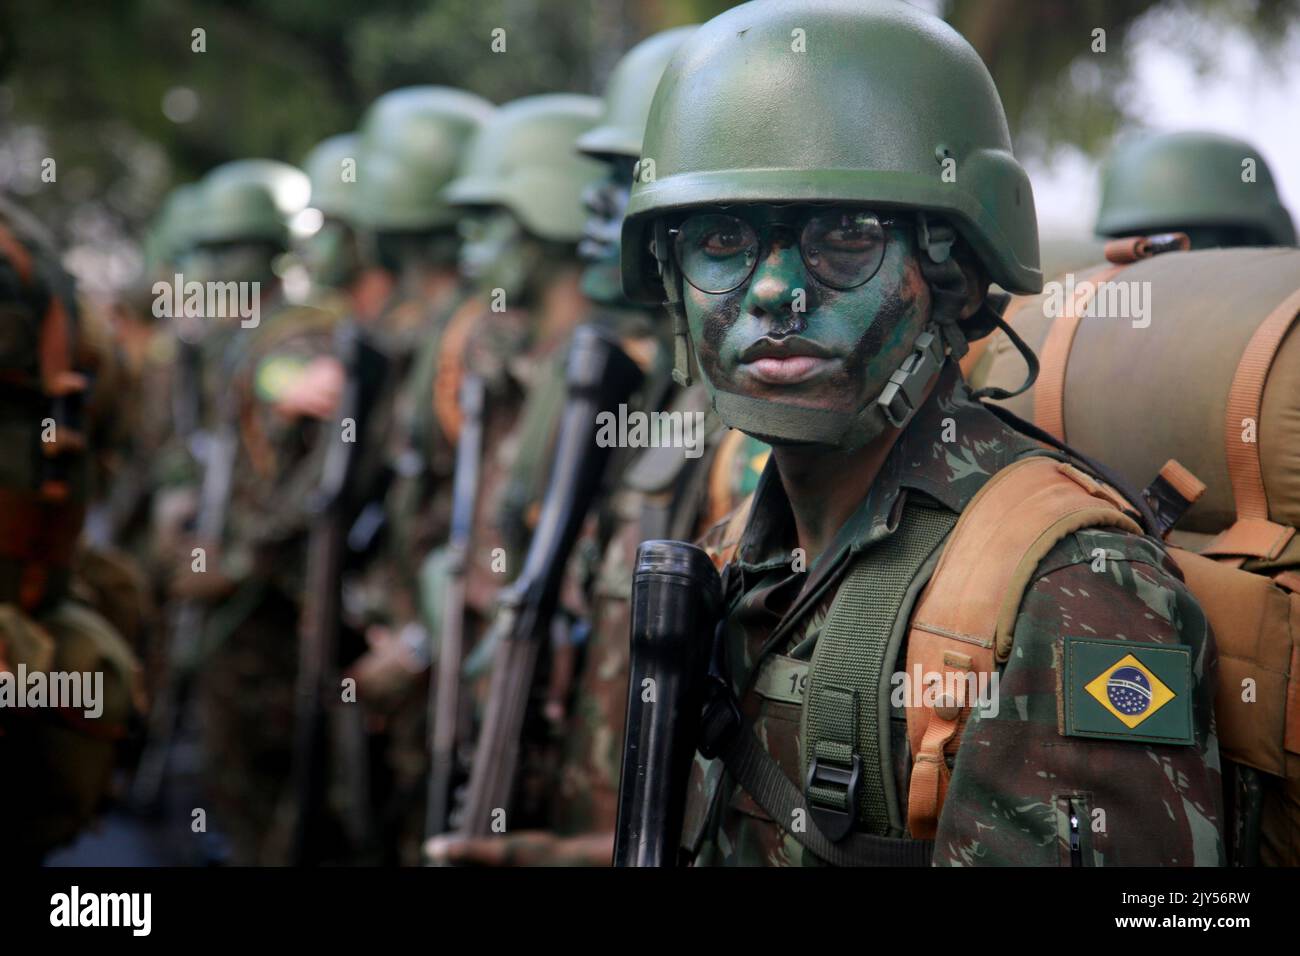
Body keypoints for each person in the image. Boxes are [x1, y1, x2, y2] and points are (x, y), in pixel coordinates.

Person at [618, 0, 1224, 866]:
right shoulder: (732, 560)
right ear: (671, 282)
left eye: (846, 239)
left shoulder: (1068, 595)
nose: (774, 292)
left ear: (953, 278)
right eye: (722, 240)